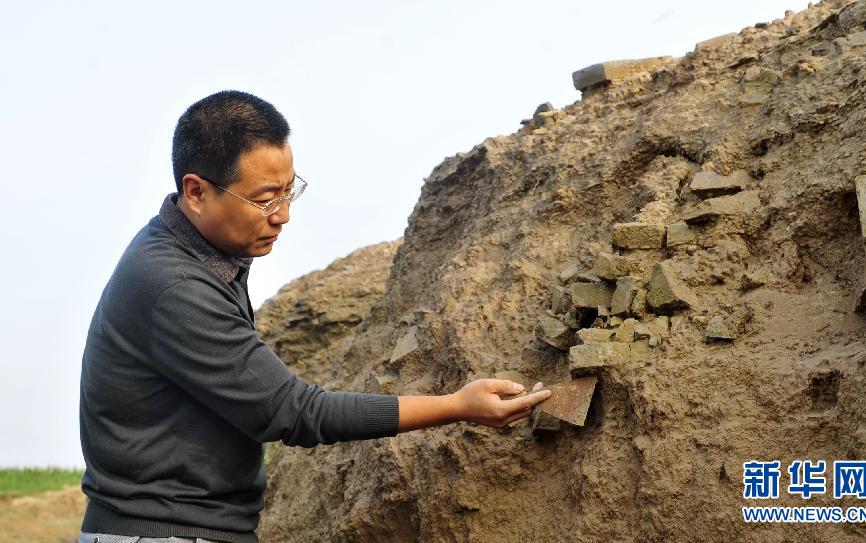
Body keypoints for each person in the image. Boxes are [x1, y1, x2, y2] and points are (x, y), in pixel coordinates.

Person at [76, 90, 551, 543]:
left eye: (289, 191)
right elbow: (293, 412)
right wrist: (456, 406)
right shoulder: (174, 286)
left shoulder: (193, 252)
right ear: (196, 192)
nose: (282, 215)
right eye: (264, 199)